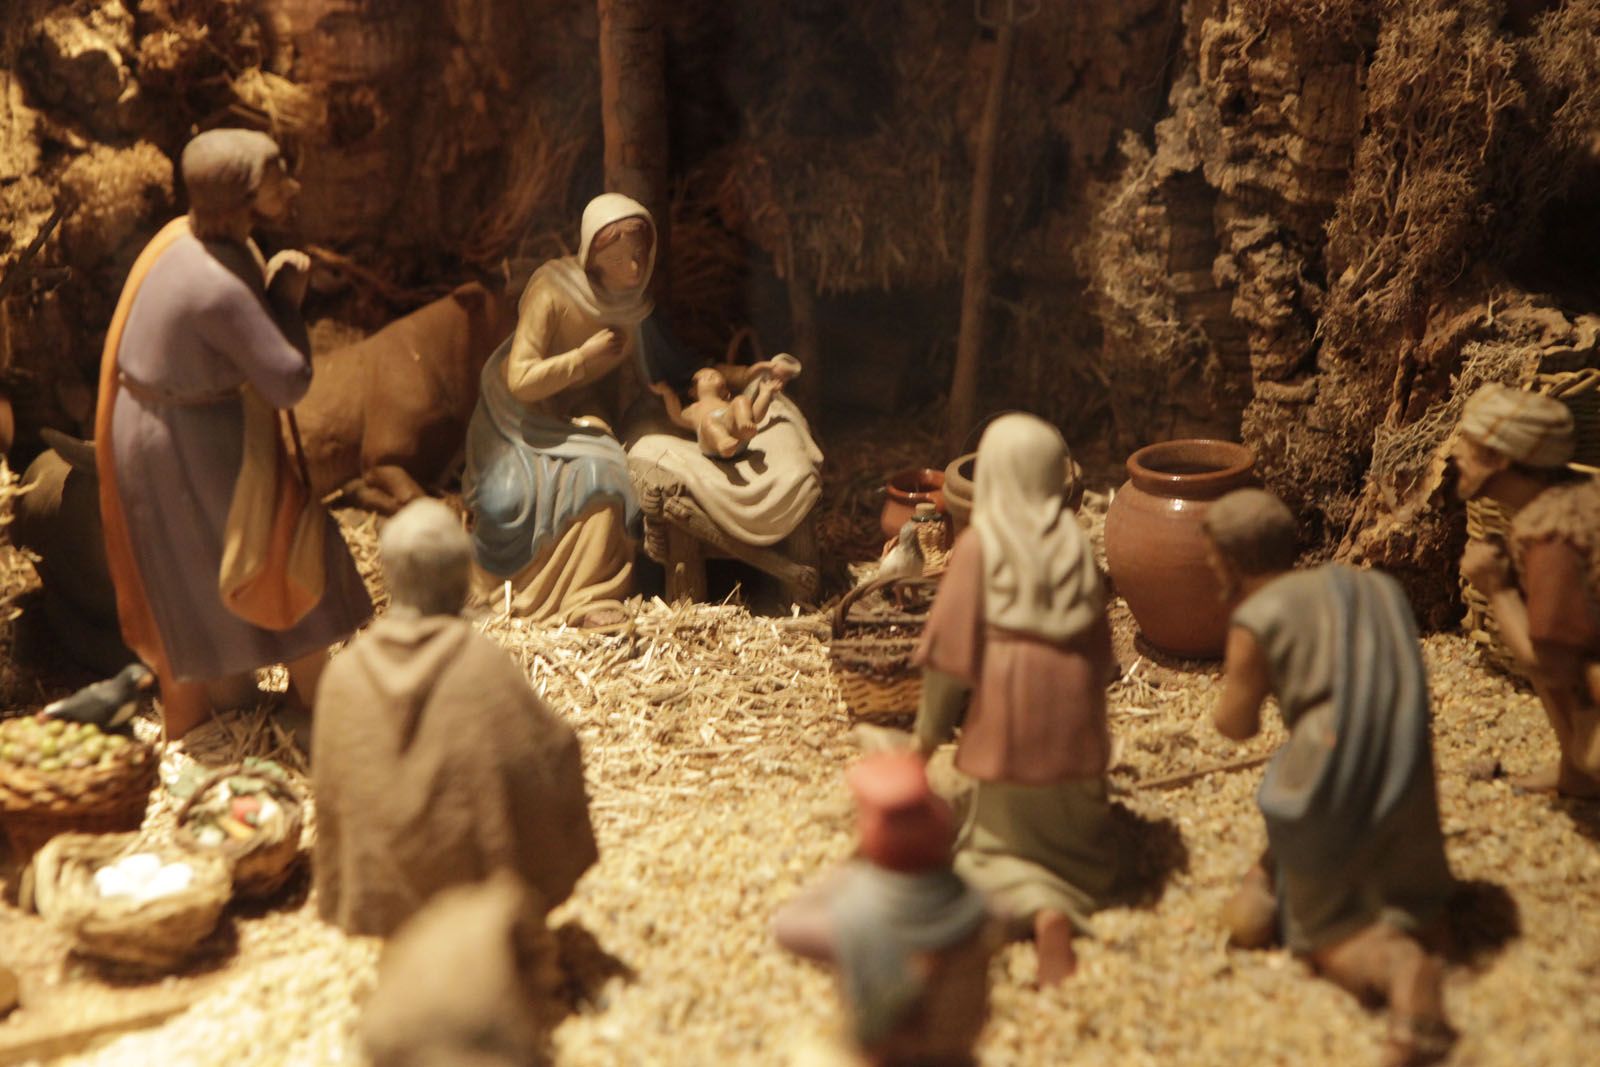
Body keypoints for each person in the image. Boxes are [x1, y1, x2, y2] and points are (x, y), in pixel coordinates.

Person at [95, 128, 372, 739]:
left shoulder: (184, 241)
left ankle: (233, 696)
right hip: (189, 443)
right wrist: (287, 301)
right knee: (280, 553)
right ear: (245, 193)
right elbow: (289, 380)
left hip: (173, 430)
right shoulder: (215, 285)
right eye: (279, 178)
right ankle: (316, 697)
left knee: (209, 570)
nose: (292, 188)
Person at [1202, 488, 1456, 1067]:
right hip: (1406, 759)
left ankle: (1401, 976)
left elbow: (1235, 725)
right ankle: (1424, 921)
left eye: (1212, 559)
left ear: (1230, 558)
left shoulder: (1256, 617)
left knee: (1319, 930)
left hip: (1328, 770)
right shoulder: (1370, 586)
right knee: (1395, 881)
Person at [313, 499, 597, 937]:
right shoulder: (481, 667)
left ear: (387, 576)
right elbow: (548, 753)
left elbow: (332, 801)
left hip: (380, 894)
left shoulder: (342, 677)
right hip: (473, 904)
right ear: (460, 577)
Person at [911, 413, 1117, 986]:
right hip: (1074, 724)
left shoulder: (981, 546)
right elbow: (1102, 651)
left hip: (1012, 715)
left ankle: (995, 920)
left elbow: (947, 660)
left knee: (993, 849)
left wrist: (924, 740)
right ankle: (1057, 914)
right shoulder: (1075, 546)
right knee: (1068, 839)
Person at [463, 194, 657, 629]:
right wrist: (583, 359)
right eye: (621, 258)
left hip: (570, 413)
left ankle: (589, 596)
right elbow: (521, 379)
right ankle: (486, 590)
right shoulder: (552, 290)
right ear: (593, 255)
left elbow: (657, 374)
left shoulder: (632, 306)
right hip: (512, 417)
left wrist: (734, 381)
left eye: (640, 257)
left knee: (607, 477)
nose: (633, 269)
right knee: (505, 498)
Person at [773, 751, 994, 1067]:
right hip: (955, 1054)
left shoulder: (858, 916)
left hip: (888, 1056)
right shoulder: (970, 902)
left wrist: (844, 876)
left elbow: (786, 926)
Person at [1453, 383, 1600, 798]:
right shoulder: (1577, 499)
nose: (1456, 453)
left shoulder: (1553, 533)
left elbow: (1549, 662)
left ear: (1500, 458)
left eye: (1470, 442)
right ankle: (1574, 771)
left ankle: (1584, 767)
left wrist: (1497, 589)